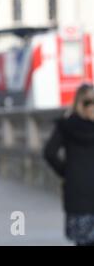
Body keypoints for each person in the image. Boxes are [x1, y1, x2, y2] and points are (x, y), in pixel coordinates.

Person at [44, 83, 94, 246]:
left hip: (77, 189)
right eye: (89, 102)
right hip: (81, 191)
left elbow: (50, 153)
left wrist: (67, 172)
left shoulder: (66, 124)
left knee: (83, 240)